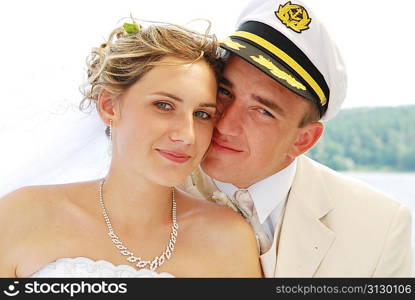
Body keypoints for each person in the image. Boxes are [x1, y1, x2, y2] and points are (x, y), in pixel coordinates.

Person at [0, 20, 262, 278]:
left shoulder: (228, 239)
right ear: (109, 106)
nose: (186, 135)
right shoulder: (22, 215)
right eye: (164, 105)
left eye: (202, 114)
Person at [181, 0, 413, 277]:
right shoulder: (150, 189)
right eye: (225, 92)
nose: (226, 124)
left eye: (262, 111)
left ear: (303, 140)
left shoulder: (380, 227)